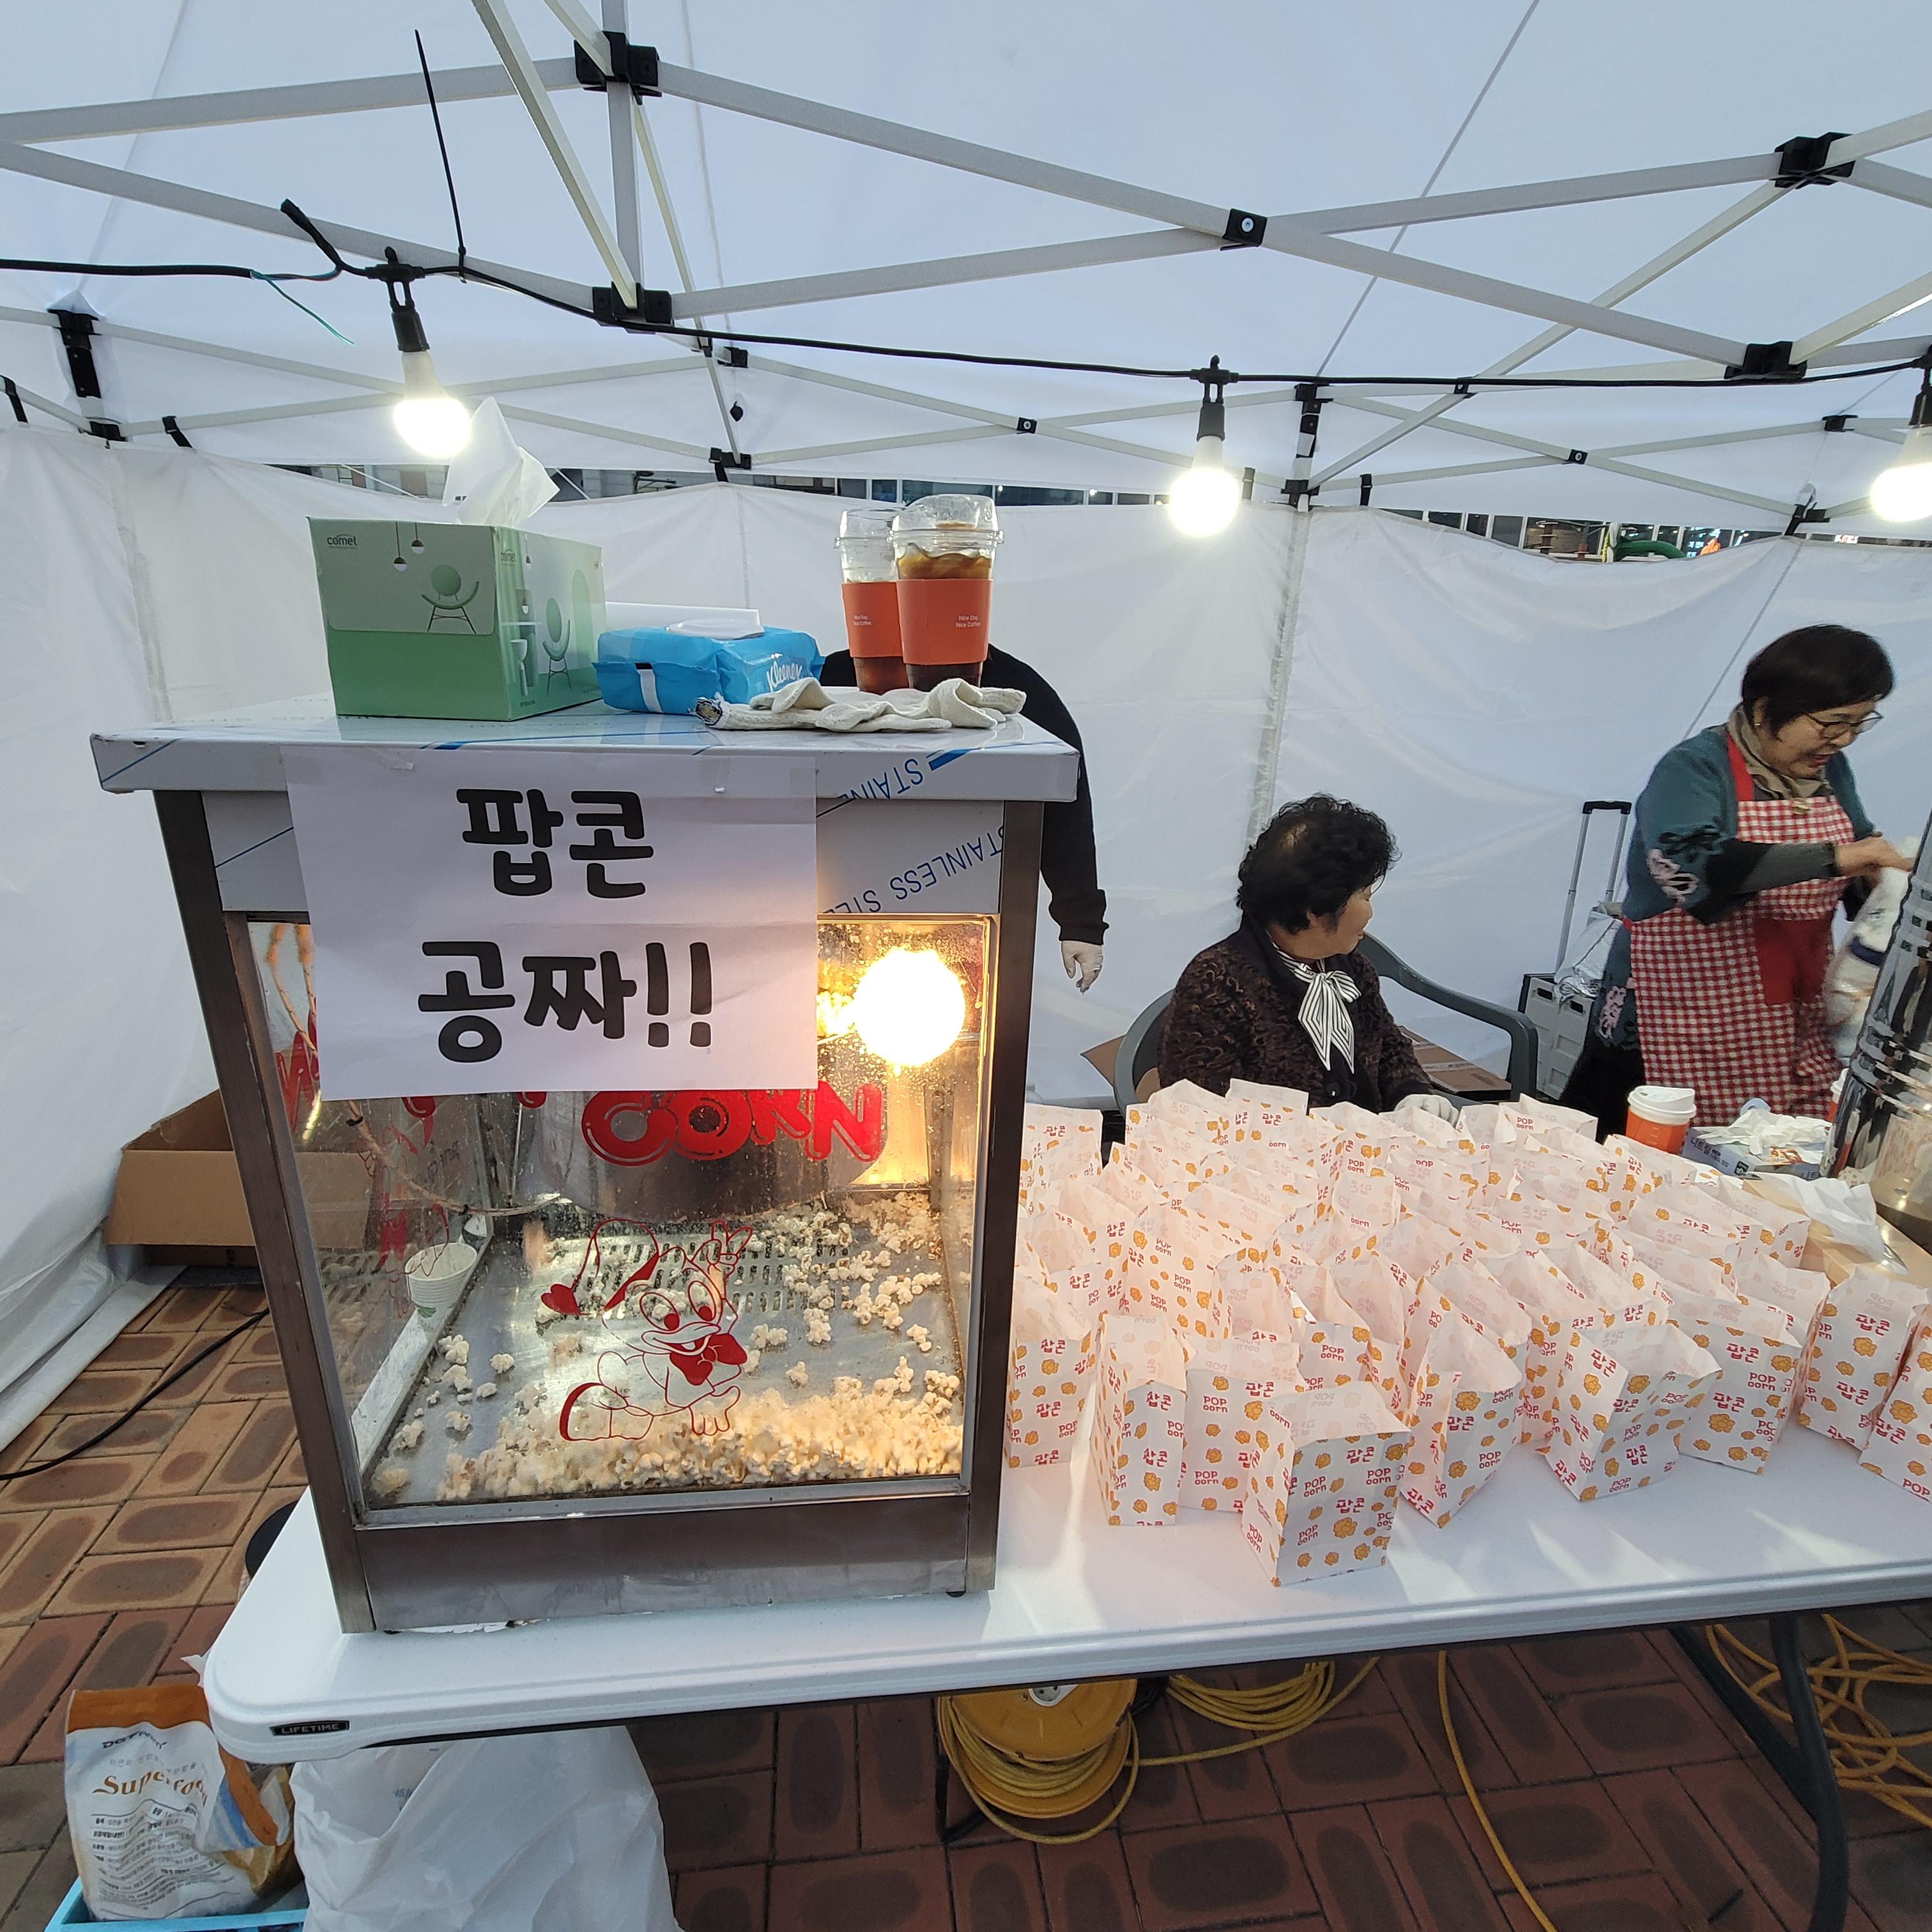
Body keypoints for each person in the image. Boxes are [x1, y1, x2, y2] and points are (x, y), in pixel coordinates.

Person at [1561, 624, 1911, 1135]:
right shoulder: (1694, 770)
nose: (1842, 741)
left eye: (1859, 724)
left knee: (1765, 1148)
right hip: (1674, 1009)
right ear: (1766, 710)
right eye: (1831, 724)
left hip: (1785, 1010)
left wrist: (1883, 887)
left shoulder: (1831, 771)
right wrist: (1838, 858)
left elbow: (1859, 849)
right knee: (1631, 1142)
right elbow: (1700, 864)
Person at [819, 640, 1107, 990]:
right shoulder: (841, 677)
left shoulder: (1012, 687)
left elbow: (1065, 802)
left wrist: (1080, 920)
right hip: (848, 912)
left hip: (965, 919)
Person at [1160, 794, 1457, 1117]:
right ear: (1316, 910)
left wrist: (1411, 1093)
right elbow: (1200, 1104)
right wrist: (1318, 1125)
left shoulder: (1353, 969)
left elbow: (1388, 1046)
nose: (1371, 913)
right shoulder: (1216, 982)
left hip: (1364, 1145)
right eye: (1366, 897)